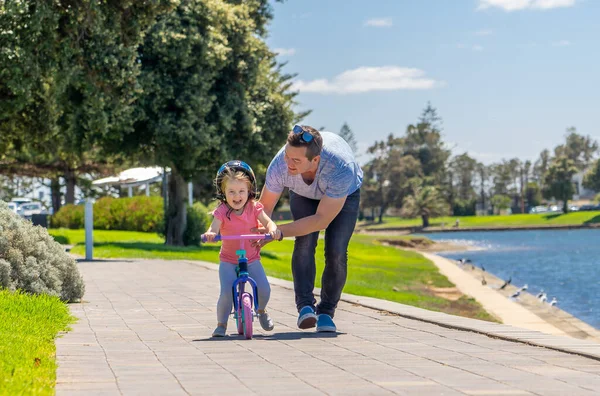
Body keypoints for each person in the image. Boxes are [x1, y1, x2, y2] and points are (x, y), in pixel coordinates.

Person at [254, 125, 362, 333]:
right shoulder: (280, 164)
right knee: (304, 242)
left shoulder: (341, 168)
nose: (288, 164)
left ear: (316, 160)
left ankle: (326, 312)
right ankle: (305, 306)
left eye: (296, 160)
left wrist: (279, 232)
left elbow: (321, 220)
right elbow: (264, 208)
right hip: (302, 193)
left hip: (344, 195)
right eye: (287, 156)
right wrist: (257, 233)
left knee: (336, 252)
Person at [202, 160, 283, 337]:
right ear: (223, 192)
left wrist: (273, 229)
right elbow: (214, 227)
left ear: (249, 191)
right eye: (231, 191)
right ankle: (221, 324)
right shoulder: (222, 210)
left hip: (252, 258)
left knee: (264, 288)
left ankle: (261, 311)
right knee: (226, 293)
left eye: (241, 191)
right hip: (228, 260)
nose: (236, 196)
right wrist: (210, 234)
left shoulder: (254, 207)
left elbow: (267, 222)